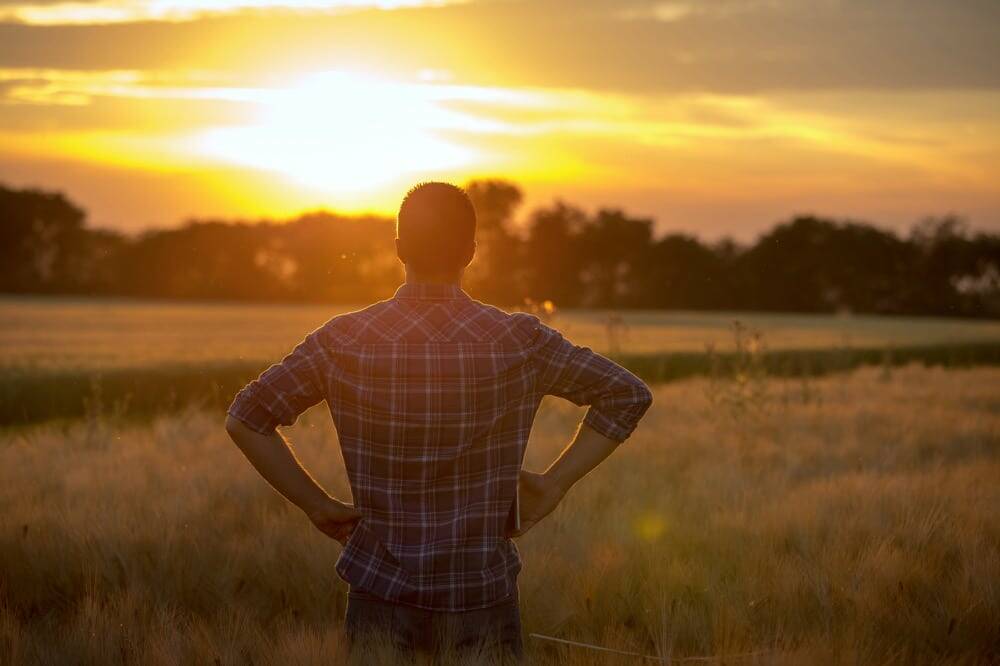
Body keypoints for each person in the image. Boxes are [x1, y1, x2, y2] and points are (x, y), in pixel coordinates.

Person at [224, 182, 653, 661]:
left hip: (379, 594)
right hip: (481, 594)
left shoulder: (342, 340)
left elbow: (246, 418)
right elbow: (628, 394)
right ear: (471, 252)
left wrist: (315, 504)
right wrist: (555, 484)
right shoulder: (520, 341)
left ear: (399, 249)